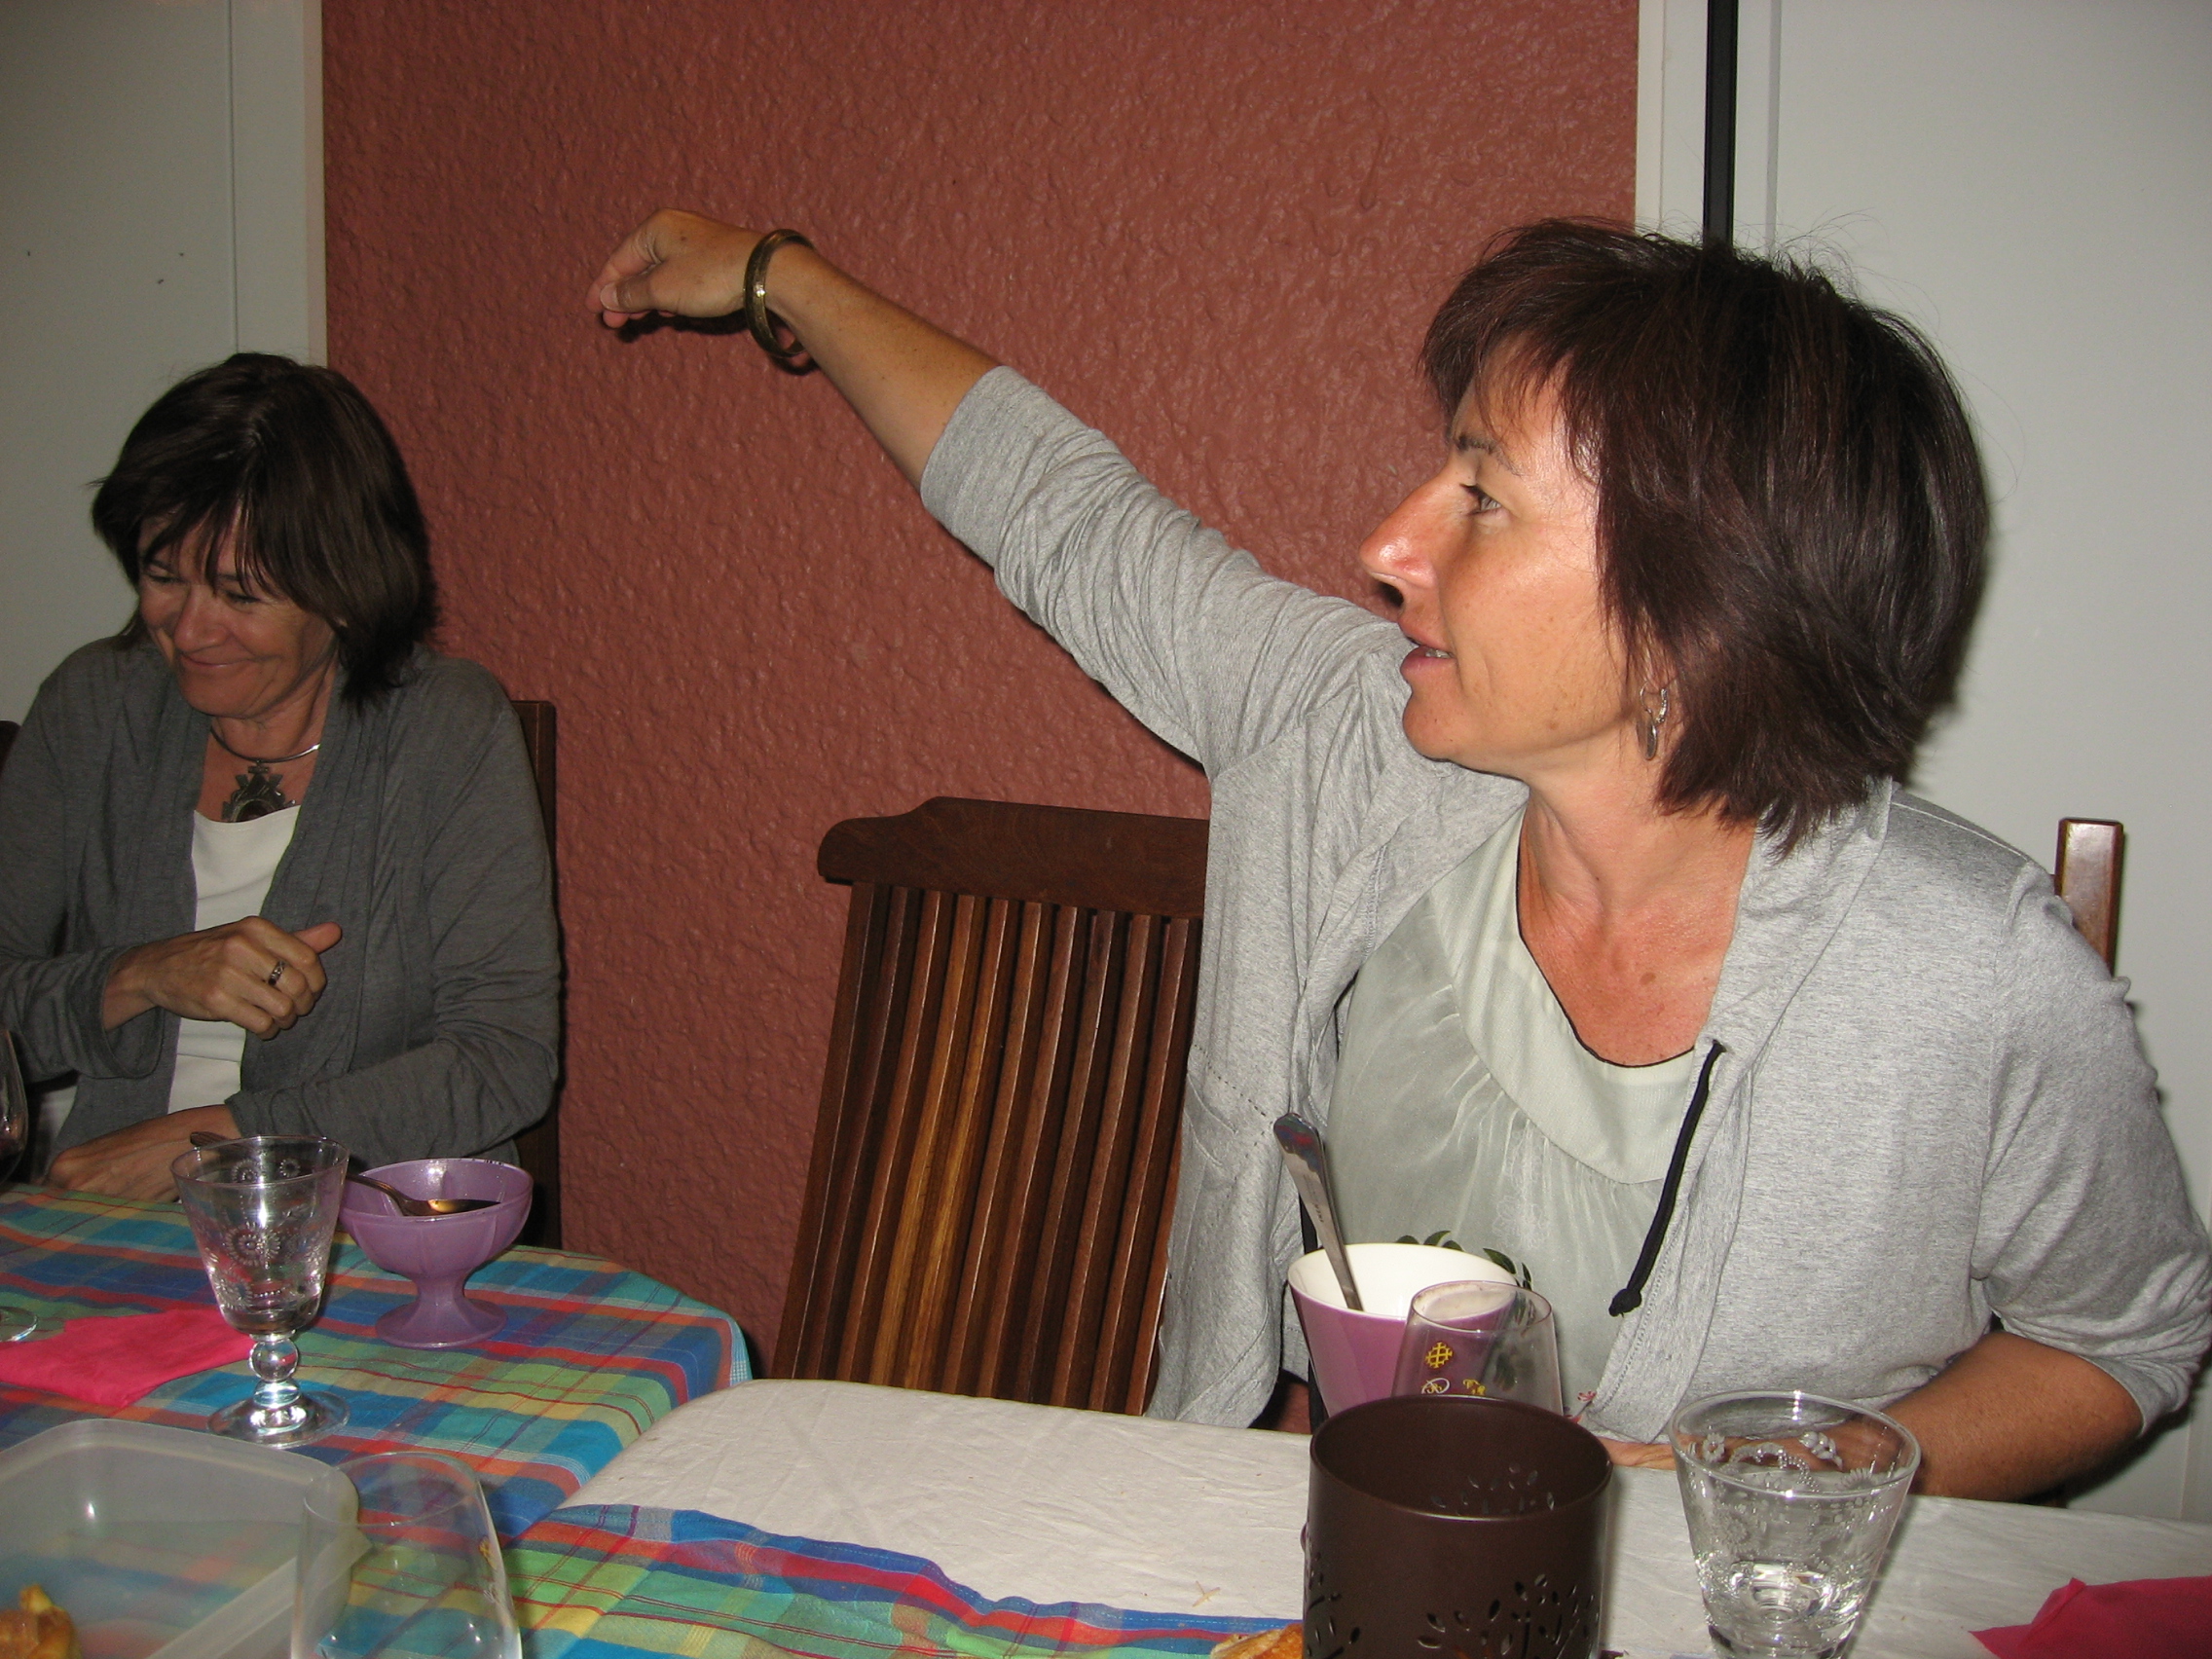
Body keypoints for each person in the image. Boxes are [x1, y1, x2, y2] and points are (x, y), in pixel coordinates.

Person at [586, 211, 2210, 1498]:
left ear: (1697, 616)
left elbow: (2125, 1333)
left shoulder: (1966, 970)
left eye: (1481, 498)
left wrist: (1805, 1476)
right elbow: (1062, 512)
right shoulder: (1347, 746)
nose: (1387, 545)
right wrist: (780, 273)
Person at [0, 353, 560, 1198]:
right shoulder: (93, 707)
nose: (190, 629)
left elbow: (504, 1061)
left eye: (239, 594)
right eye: (163, 576)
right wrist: (139, 975)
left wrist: (228, 1142)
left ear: (342, 591)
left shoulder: (444, 726)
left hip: (365, 1221)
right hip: (110, 1215)